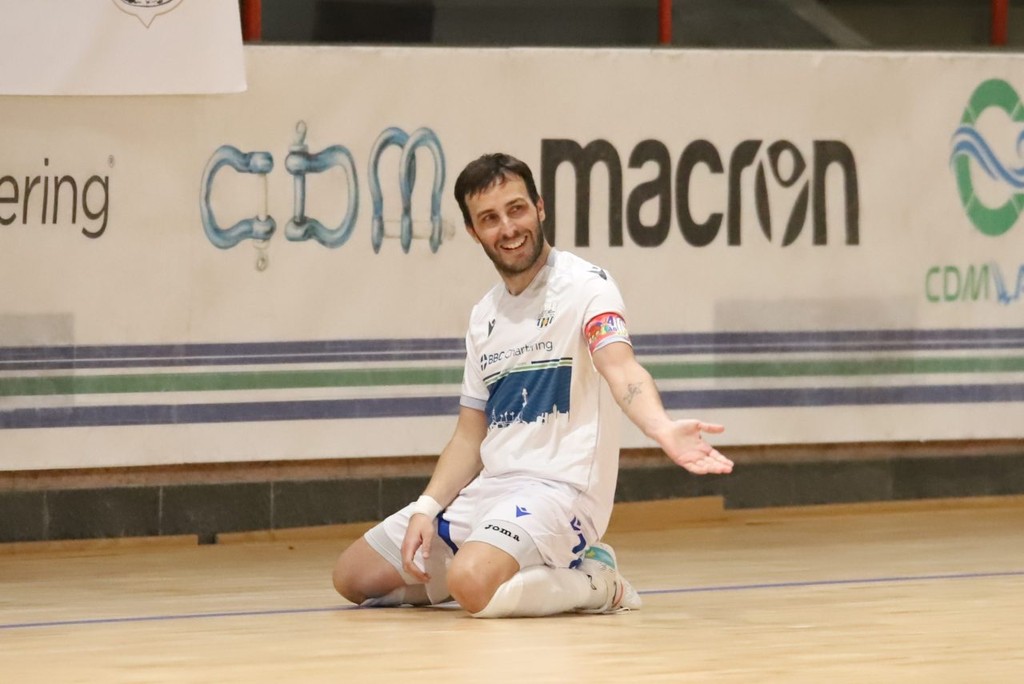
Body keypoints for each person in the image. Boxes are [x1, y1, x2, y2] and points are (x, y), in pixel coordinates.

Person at [332, 152, 733, 618]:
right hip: (491, 491)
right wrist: (426, 506)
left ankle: (597, 581)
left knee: (470, 582)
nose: (508, 228)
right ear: (474, 231)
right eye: (490, 218)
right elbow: (469, 435)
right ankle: (494, 571)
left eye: (516, 209)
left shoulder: (587, 286)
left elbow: (621, 368)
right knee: (354, 577)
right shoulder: (484, 315)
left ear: (540, 208)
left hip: (560, 493)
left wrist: (661, 427)